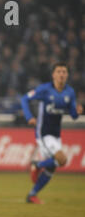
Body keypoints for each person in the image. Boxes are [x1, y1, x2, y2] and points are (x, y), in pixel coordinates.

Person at [21, 62, 83, 204]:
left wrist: (77, 112)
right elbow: (25, 99)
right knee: (62, 160)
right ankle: (37, 165)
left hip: (56, 135)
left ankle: (32, 195)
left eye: (64, 72)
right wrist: (29, 117)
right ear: (53, 75)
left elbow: (73, 115)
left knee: (52, 168)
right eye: (59, 72)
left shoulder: (70, 92)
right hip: (43, 133)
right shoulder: (45, 90)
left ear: (67, 75)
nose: (61, 74)